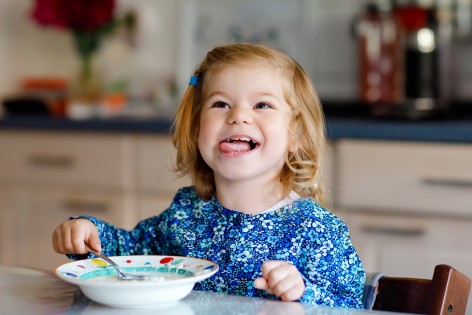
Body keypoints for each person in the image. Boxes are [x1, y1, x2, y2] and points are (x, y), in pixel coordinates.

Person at [52, 43, 366, 308]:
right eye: (220, 103)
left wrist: (303, 294)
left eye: (262, 104)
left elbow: (351, 306)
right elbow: (134, 253)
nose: (238, 115)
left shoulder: (316, 231)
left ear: (295, 134)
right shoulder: (186, 213)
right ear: (197, 128)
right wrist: (90, 234)